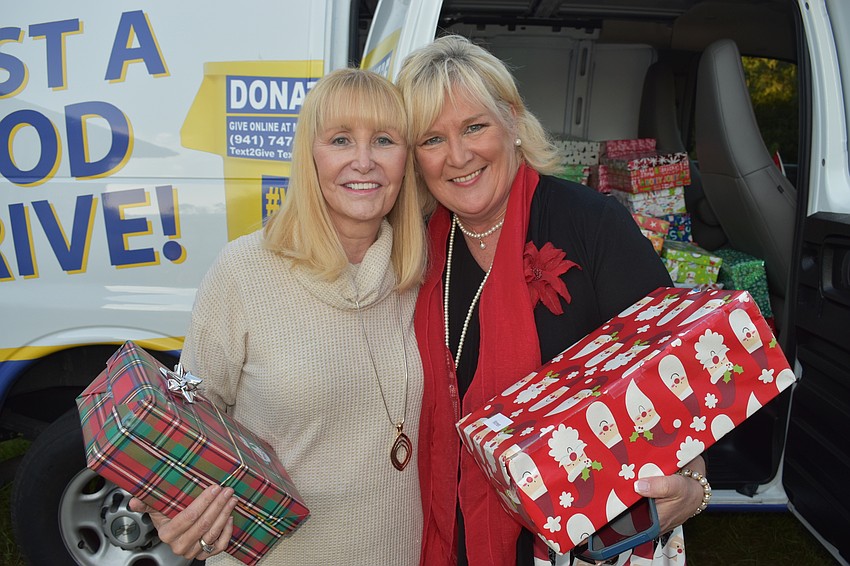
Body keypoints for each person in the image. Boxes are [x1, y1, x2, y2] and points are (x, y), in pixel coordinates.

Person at [396, 35, 709, 566]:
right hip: (448, 528)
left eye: (474, 127)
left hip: (583, 534)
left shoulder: (590, 223)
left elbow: (675, 367)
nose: (458, 156)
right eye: (432, 139)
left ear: (513, 122)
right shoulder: (414, 248)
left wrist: (695, 484)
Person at [129, 68, 428, 565]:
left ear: (406, 159)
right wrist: (174, 511)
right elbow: (190, 414)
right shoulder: (244, 271)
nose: (364, 160)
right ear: (310, 156)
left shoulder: (421, 273)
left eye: (384, 140)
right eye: (340, 139)